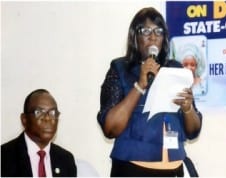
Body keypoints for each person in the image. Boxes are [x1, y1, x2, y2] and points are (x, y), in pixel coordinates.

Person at [97, 7, 202, 177]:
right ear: (135, 36)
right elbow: (110, 129)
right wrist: (139, 85)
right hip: (133, 169)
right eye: (145, 30)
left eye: (158, 31)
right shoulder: (120, 69)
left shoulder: (176, 69)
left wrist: (188, 108)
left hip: (174, 169)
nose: (153, 37)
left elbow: (193, 131)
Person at [1, 89, 77, 177]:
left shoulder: (66, 160)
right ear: (24, 120)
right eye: (39, 112)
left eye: (53, 112)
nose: (48, 118)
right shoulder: (4, 157)